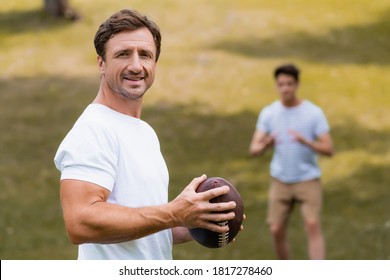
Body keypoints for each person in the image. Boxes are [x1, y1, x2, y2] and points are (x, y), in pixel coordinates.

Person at [54, 9, 238, 260]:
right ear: (101, 63)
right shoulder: (94, 129)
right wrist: (174, 212)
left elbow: (140, 222)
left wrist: (194, 221)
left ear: (155, 64)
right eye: (122, 54)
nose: (136, 65)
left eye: (145, 55)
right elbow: (81, 222)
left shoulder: (144, 132)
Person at [249, 64, 334, 260]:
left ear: (297, 84)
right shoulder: (269, 113)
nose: (285, 88)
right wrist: (267, 143)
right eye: (281, 84)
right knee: (276, 229)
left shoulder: (313, 113)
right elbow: (253, 149)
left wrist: (306, 141)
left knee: (312, 225)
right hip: (280, 180)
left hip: (308, 179)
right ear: (276, 86)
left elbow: (329, 149)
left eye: (289, 84)